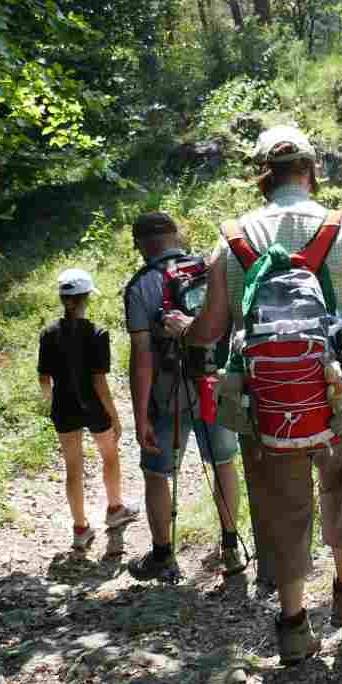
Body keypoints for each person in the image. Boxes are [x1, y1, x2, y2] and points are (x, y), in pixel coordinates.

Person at [181, 124, 342, 665]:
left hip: (263, 401)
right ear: (310, 172)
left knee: (278, 504)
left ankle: (292, 625)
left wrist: (179, 328)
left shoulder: (232, 239)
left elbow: (211, 328)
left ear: (261, 179)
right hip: (341, 394)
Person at [124, 211, 246, 582]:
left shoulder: (141, 286)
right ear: (177, 235)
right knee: (223, 462)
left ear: (140, 245)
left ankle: (163, 555)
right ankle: (230, 547)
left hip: (167, 394)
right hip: (215, 382)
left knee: (157, 473)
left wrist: (140, 414)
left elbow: (142, 357)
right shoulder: (210, 269)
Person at [37, 268, 136, 551]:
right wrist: (115, 416)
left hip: (64, 407)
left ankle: (80, 528)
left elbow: (44, 379)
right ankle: (115, 509)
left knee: (73, 468)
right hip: (93, 405)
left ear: (62, 298)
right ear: (86, 299)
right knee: (110, 457)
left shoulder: (48, 334)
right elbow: (99, 381)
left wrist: (51, 403)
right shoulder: (97, 333)